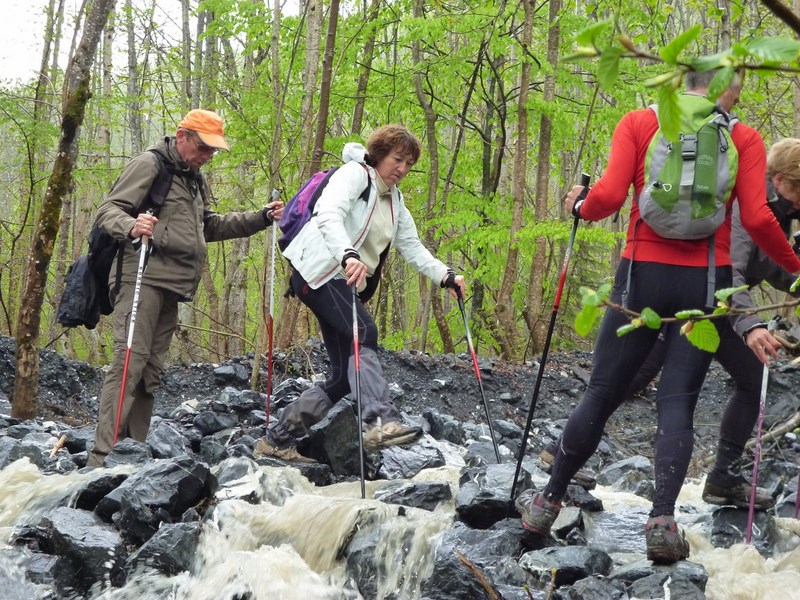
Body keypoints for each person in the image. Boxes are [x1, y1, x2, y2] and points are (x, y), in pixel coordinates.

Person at [514, 72, 800, 564]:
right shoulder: (744, 138)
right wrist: (797, 268)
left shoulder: (639, 122)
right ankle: (662, 523)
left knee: (602, 391)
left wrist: (580, 203)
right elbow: (755, 219)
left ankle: (547, 502)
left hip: (639, 275)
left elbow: (605, 201)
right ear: (726, 91)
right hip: (703, 284)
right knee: (678, 400)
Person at [540, 140, 800, 508]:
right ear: (781, 178)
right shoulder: (752, 200)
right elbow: (735, 270)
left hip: (705, 301)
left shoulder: (779, 206)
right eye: (799, 189)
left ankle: (560, 454)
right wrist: (752, 325)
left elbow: (768, 265)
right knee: (741, 378)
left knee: (631, 377)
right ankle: (718, 480)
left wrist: (795, 278)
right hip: (709, 301)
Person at [254, 124, 466, 462]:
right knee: (364, 331)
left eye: (409, 164)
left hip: (342, 280)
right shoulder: (355, 175)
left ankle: (277, 440)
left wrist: (446, 276)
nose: (402, 169)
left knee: (340, 378)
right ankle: (380, 420)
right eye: (397, 159)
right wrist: (347, 254)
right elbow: (328, 213)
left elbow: (412, 248)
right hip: (320, 270)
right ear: (379, 155)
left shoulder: (394, 201)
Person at [87, 109, 284, 467]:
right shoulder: (150, 164)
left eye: (213, 150)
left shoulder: (194, 179)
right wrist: (133, 225)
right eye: (204, 147)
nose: (208, 155)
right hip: (141, 277)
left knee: (151, 372)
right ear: (182, 137)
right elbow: (108, 210)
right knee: (129, 363)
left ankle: (132, 454)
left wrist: (260, 218)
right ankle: (101, 458)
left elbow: (208, 226)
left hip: (173, 285)